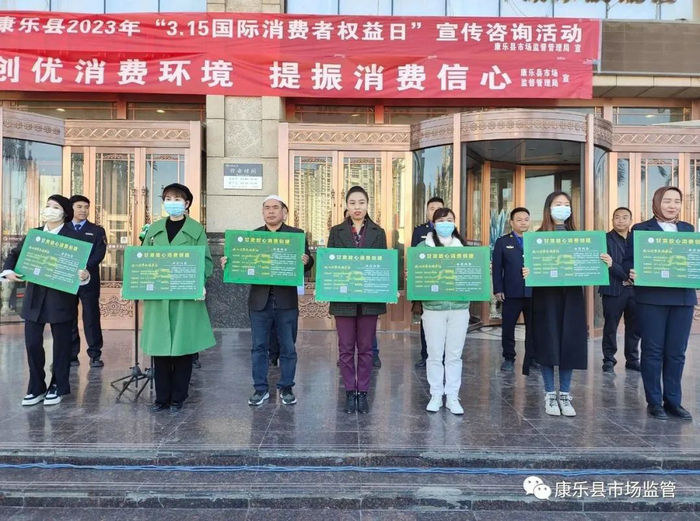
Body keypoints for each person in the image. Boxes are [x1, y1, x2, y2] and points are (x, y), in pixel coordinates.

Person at [523, 191, 612, 417]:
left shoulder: (580, 237)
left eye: (566, 204)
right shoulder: (537, 237)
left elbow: (590, 266)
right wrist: (527, 272)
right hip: (545, 297)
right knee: (547, 342)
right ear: (548, 208)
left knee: (569, 342)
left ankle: (564, 394)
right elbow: (528, 266)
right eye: (557, 204)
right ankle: (549, 394)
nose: (562, 208)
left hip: (571, 297)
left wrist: (603, 262)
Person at [222, 195, 313, 407]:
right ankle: (260, 389)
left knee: (288, 347)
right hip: (259, 302)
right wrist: (228, 262)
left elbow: (308, 263)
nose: (271, 211)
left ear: (284, 212)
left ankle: (286, 387)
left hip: (286, 301)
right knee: (259, 347)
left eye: (275, 207)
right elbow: (240, 264)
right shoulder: (253, 237)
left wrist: (307, 261)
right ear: (263, 212)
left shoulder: (296, 236)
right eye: (267, 208)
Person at [1, 195, 91, 406]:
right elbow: (14, 255)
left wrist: (84, 276)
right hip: (34, 297)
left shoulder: (73, 238)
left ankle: (58, 385)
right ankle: (36, 387)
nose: (50, 210)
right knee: (32, 343)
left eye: (55, 207)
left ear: (65, 213)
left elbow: (83, 269)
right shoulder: (35, 235)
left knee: (61, 346)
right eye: (48, 206)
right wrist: (8, 270)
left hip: (61, 298)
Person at [141, 183, 216, 412]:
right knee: (160, 349)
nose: (172, 203)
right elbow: (143, 259)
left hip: (185, 298)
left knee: (184, 349)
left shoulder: (196, 230)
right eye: (167, 199)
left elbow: (206, 261)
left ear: (187, 203)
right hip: (159, 298)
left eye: (177, 199)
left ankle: (178, 398)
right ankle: (161, 398)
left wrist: (199, 283)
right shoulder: (154, 230)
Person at [624, 187, 696, 421]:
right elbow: (627, 261)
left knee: (677, 352)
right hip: (651, 299)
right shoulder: (640, 229)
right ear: (656, 202)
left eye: (677, 201)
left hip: (682, 298)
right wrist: (631, 271)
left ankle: (673, 401)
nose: (672, 205)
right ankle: (654, 402)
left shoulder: (688, 229)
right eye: (667, 201)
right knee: (653, 351)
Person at [328, 185, 387, 414]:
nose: (357, 207)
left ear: (368, 205)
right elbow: (330, 265)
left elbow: (383, 266)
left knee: (365, 349)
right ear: (346, 205)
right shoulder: (336, 232)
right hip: (343, 299)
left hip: (369, 300)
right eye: (352, 203)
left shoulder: (378, 232)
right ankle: (349, 391)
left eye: (361, 202)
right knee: (345, 349)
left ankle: (362, 392)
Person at [416, 207, 469, 415]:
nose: (445, 224)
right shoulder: (423, 247)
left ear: (455, 223)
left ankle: (453, 396)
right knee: (434, 354)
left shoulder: (464, 248)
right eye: (441, 220)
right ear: (433, 223)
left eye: (449, 220)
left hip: (459, 307)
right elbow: (417, 276)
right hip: (433, 308)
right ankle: (436, 394)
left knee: (454, 355)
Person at [599, 207, 640, 374]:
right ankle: (609, 360)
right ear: (612, 220)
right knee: (610, 327)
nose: (621, 220)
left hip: (635, 291)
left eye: (625, 217)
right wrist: (625, 275)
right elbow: (606, 264)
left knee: (634, 327)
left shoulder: (637, 239)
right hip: (613, 290)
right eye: (617, 217)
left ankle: (632, 359)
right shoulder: (604, 239)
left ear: (630, 220)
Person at [68, 195, 107, 368]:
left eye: (86, 207)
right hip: (68, 279)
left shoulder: (96, 230)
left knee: (91, 316)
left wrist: (86, 268)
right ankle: (71, 355)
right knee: (69, 316)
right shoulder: (64, 228)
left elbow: (100, 253)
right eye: (79, 206)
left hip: (89, 279)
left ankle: (95, 354)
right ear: (71, 208)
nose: (83, 210)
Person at [492, 207, 533, 373]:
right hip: (511, 292)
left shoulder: (535, 240)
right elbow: (497, 268)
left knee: (534, 327)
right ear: (511, 222)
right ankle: (509, 357)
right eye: (519, 220)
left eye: (526, 219)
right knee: (508, 327)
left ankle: (532, 358)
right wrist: (498, 289)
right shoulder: (502, 242)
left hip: (533, 292)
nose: (523, 223)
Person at [411, 196, 445, 368]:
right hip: (426, 282)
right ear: (427, 212)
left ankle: (443, 356)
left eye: (439, 208)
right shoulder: (419, 231)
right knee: (427, 323)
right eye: (432, 208)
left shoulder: (451, 231)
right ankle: (425, 355)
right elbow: (414, 258)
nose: (435, 211)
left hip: (446, 284)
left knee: (444, 323)